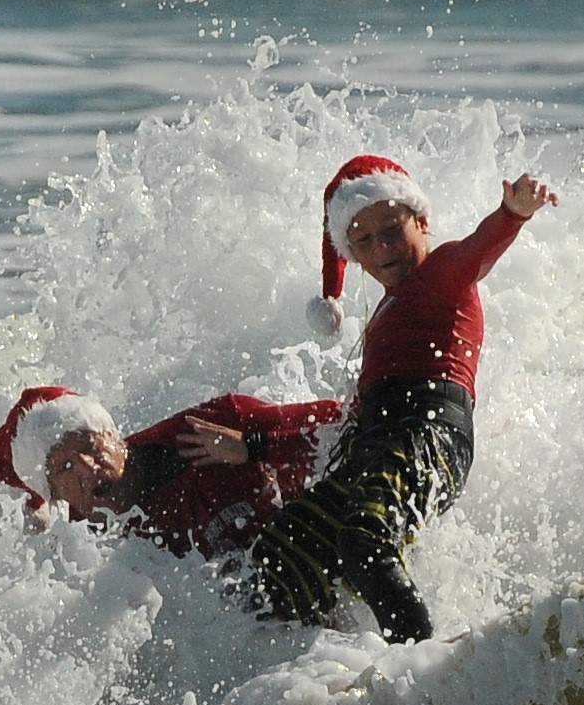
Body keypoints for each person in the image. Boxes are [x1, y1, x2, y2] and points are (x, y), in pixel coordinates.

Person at [237, 154, 559, 644]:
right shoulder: (387, 309)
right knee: (282, 553)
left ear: (421, 221)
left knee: (364, 542)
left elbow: (478, 250)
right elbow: (340, 420)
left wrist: (512, 213)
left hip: (428, 432)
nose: (382, 248)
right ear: (354, 255)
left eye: (392, 230)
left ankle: (422, 663)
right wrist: (257, 443)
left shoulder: (442, 273)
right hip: (376, 445)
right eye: (364, 240)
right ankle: (321, 663)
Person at [0, 386, 342, 565]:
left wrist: (254, 447)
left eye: (91, 447)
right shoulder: (90, 552)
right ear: (59, 495)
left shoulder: (212, 428)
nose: (89, 469)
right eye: (64, 469)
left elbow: (349, 428)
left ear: (113, 435)